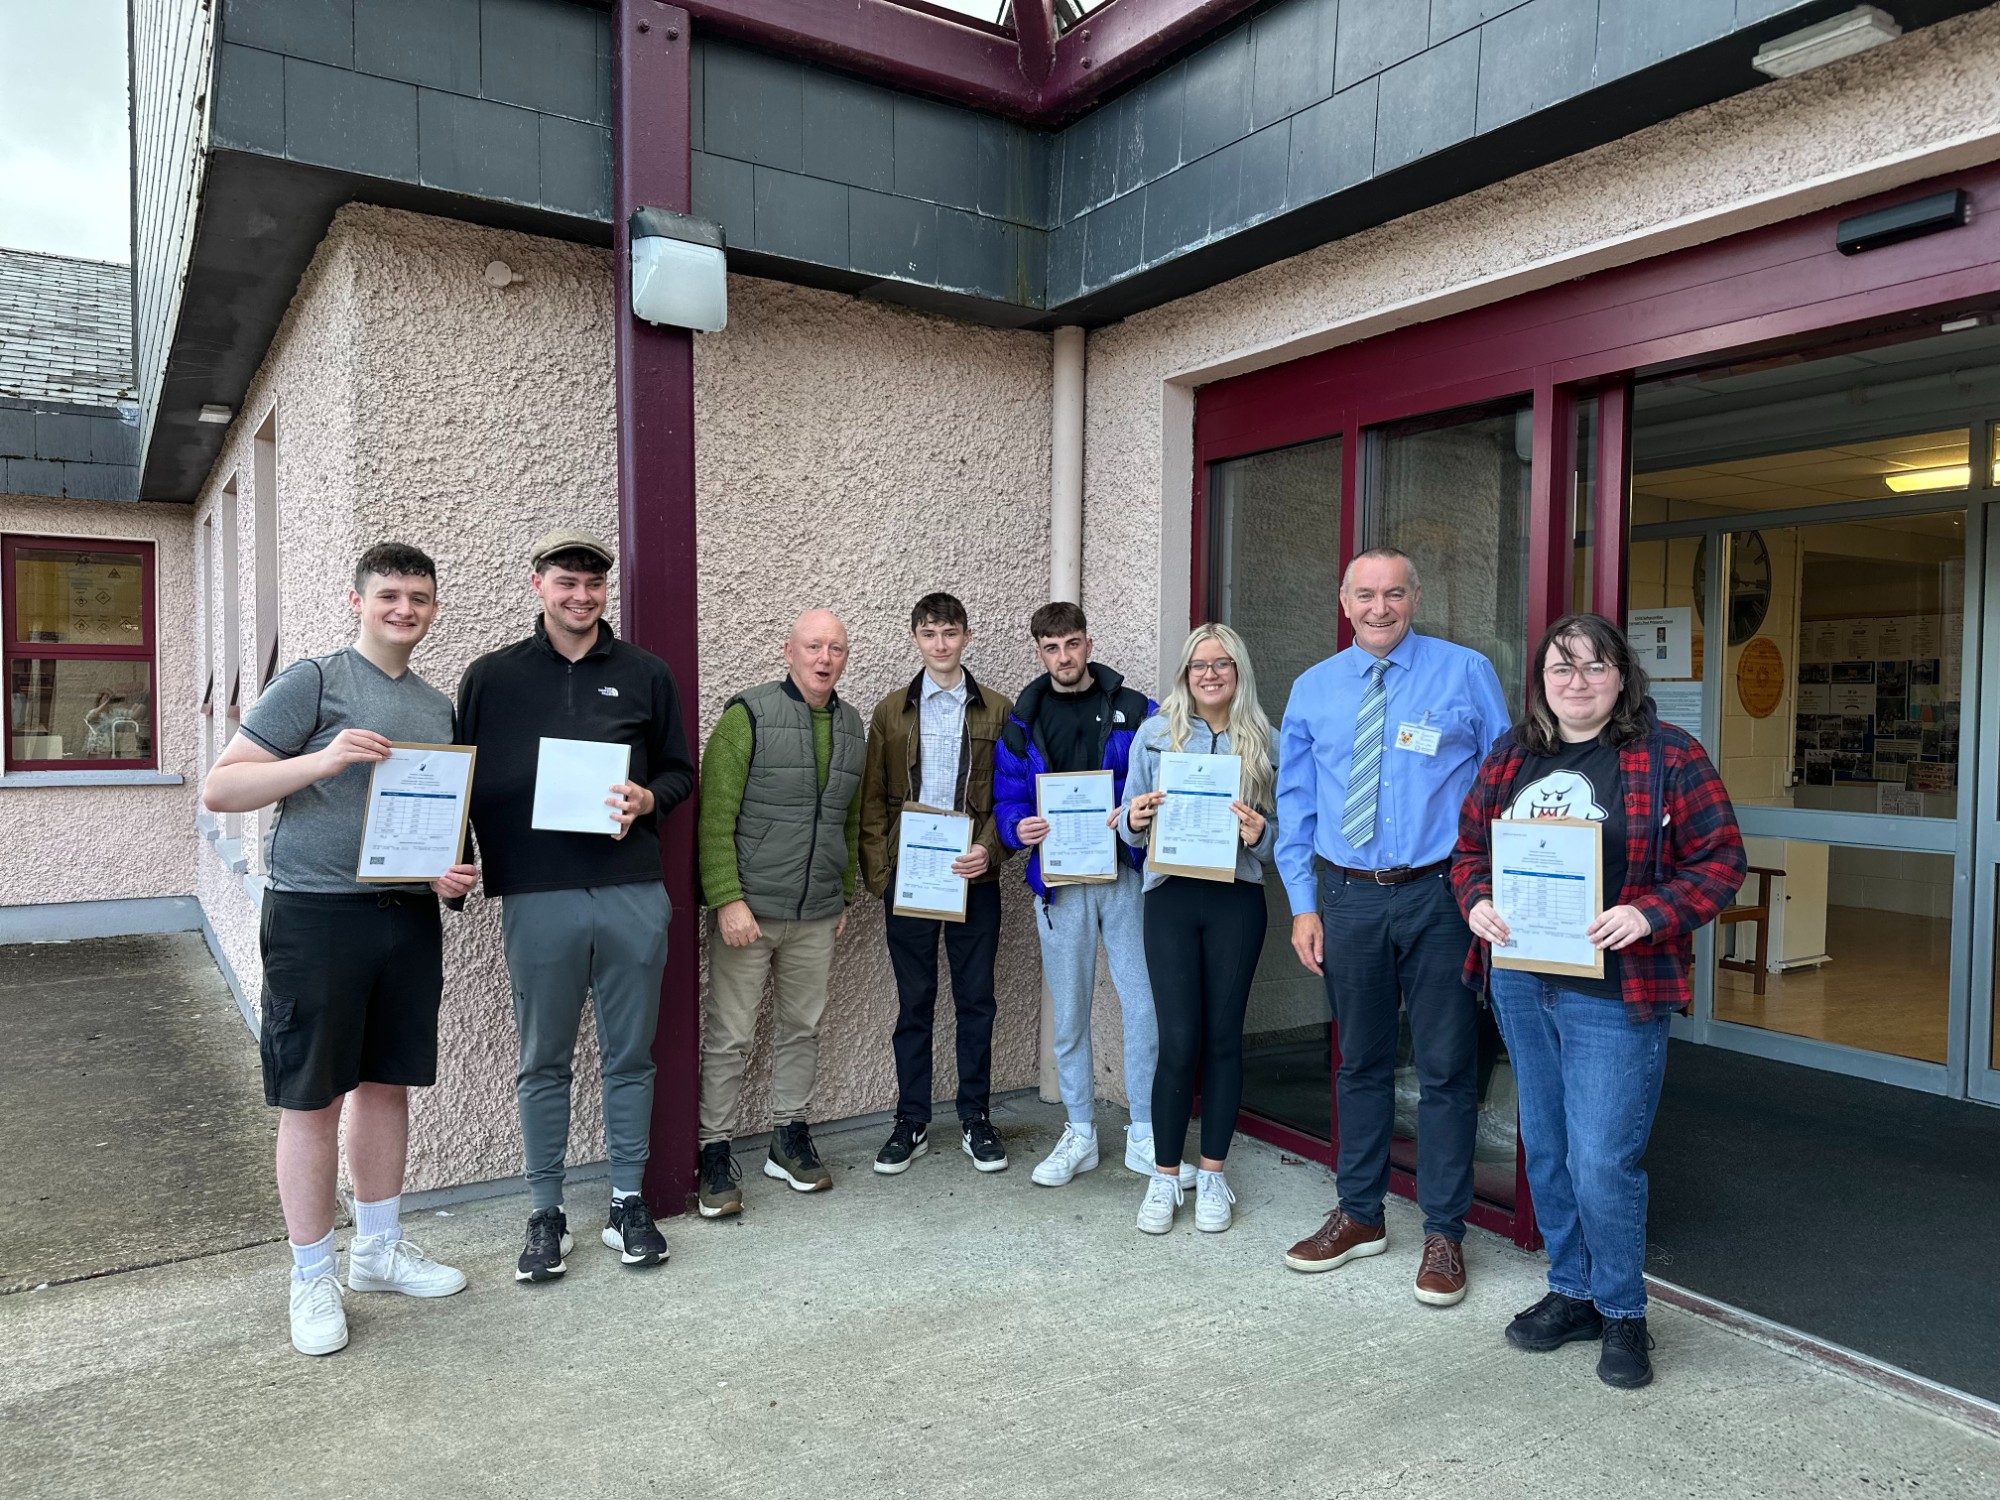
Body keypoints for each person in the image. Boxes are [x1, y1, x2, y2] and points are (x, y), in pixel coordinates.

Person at [1452, 612, 1745, 1389]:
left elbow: (1722, 860)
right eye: (1561, 667)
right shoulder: (1513, 755)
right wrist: (1477, 902)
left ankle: (1622, 1312)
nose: (1576, 681)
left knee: (1602, 1160)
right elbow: (1470, 850)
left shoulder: (1671, 756)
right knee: (1547, 1149)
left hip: (1618, 990)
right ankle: (1573, 1291)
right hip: (1523, 979)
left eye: (1593, 666)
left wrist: (1650, 913)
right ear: (1541, 681)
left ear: (1621, 678)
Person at [203, 542, 476, 1357]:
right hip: (315, 915)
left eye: (418, 598)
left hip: (404, 915)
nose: (404, 609)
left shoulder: (435, 706)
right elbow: (222, 787)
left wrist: (443, 873)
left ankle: (379, 1251)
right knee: (312, 1098)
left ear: (434, 608)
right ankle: (311, 1274)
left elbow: (426, 817)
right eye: (389, 595)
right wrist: (322, 759)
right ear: (357, 601)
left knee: (387, 1085)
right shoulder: (314, 682)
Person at [457, 528, 695, 1283]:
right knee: (543, 1059)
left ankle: (627, 1201)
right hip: (537, 894)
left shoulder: (645, 673)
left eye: (594, 584)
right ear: (538, 586)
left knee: (630, 1055)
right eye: (567, 582)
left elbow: (679, 772)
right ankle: (546, 1212)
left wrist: (647, 799)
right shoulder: (491, 678)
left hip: (630, 889)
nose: (582, 596)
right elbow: (460, 780)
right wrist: (451, 864)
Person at [1275, 547, 1510, 1308]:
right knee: (1361, 1063)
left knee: (1445, 1069)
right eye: (1366, 595)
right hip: (1347, 897)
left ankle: (1444, 1231)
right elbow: (1296, 804)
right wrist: (1303, 904)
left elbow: (1503, 785)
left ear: (1415, 598)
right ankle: (1360, 1214)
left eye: (1395, 594)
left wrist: (1491, 890)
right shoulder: (1313, 688)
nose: (1381, 608)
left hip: (1441, 896)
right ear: (1344, 602)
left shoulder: (1465, 672)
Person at [695, 609, 866, 1216]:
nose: (825, 658)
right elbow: (714, 817)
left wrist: (844, 894)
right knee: (731, 1035)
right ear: (788, 652)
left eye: (836, 649)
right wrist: (726, 898)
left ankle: (788, 1136)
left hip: (816, 914)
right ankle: (713, 1148)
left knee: (803, 1028)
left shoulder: (853, 726)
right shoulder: (748, 715)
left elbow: (847, 820)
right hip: (750, 912)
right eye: (813, 646)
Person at [994, 602, 1167, 1188]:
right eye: (1051, 647)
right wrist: (1016, 827)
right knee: (1068, 1013)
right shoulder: (1022, 720)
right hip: (1060, 884)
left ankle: (1145, 1132)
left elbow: (1165, 779)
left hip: (1125, 875)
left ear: (1088, 644)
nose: (1063, 657)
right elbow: (1007, 796)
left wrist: (1137, 810)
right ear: (1039, 652)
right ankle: (1081, 1131)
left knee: (1142, 1005)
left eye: (1072, 644)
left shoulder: (1137, 709)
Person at [1116, 623, 1277, 1235]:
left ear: (1239, 671)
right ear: (1185, 673)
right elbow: (1128, 823)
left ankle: (1212, 1174)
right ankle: (1164, 1177)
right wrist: (1134, 818)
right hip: (1171, 898)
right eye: (1199, 665)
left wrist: (1261, 833)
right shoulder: (1155, 735)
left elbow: (1288, 834)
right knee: (1178, 1039)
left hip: (1237, 897)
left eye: (1222, 663)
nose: (1210, 674)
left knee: (1223, 1039)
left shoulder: (1266, 739)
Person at [859, 593, 1015, 1175]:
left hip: (975, 875)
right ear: (915, 639)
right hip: (912, 879)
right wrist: (883, 877)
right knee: (914, 1003)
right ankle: (912, 1120)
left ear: (966, 637)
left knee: (977, 1001)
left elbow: (1012, 795)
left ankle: (976, 1117)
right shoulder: (890, 711)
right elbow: (873, 800)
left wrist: (990, 849)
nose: (941, 644)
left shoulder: (998, 709)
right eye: (929, 634)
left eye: (950, 633)